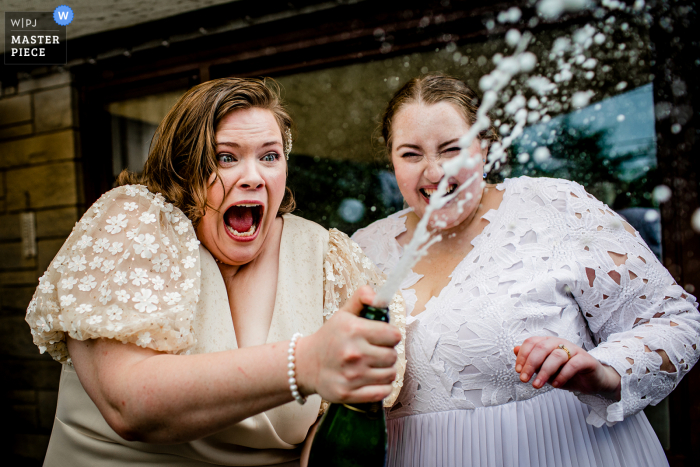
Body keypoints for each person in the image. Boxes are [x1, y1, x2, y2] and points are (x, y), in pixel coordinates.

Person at [26, 77, 406, 466]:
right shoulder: (133, 223)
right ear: (184, 166)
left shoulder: (325, 256)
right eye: (227, 157)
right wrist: (304, 362)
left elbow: (325, 437)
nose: (254, 176)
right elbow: (130, 407)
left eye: (270, 156)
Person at [352, 74, 700, 467]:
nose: (434, 172)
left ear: (485, 146)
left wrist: (604, 370)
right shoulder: (364, 249)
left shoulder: (554, 207)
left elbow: (675, 319)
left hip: (567, 453)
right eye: (411, 154)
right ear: (391, 158)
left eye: (452, 149)